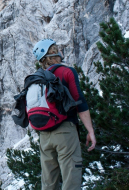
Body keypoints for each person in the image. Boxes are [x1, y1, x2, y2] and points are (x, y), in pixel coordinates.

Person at [29, 39, 96, 190]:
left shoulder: (38, 78)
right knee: (71, 180)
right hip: (65, 131)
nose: (60, 51)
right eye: (57, 49)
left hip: (44, 135)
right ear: (52, 53)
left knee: (48, 183)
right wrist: (90, 131)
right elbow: (80, 102)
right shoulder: (66, 71)